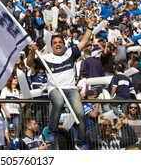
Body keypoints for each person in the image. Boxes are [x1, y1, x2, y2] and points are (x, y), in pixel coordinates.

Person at [35, 16, 96, 150]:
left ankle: (81, 141)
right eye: (55, 42)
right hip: (55, 89)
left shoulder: (70, 54)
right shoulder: (45, 58)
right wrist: (30, 52)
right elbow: (30, 64)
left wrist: (90, 26)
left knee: (80, 113)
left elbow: (85, 40)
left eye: (60, 42)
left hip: (70, 88)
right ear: (51, 46)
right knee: (58, 103)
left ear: (64, 44)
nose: (58, 44)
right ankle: (51, 133)